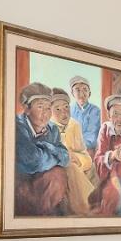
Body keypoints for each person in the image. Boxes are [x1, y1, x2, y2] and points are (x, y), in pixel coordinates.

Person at [14, 82, 68, 215]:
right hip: (21, 182)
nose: (46, 113)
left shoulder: (52, 129)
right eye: (40, 107)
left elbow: (66, 157)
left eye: (48, 108)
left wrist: (47, 147)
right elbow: (33, 161)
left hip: (44, 184)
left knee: (57, 175)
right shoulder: (18, 126)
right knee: (55, 174)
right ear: (27, 109)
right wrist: (55, 156)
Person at [51, 87, 97, 215]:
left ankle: (92, 204)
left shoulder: (74, 125)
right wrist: (66, 156)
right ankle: (85, 207)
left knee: (90, 168)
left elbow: (84, 155)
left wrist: (79, 160)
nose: (64, 113)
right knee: (70, 169)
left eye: (66, 107)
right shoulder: (49, 127)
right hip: (58, 166)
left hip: (76, 166)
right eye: (58, 109)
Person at [68, 75, 100, 153]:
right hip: (69, 149)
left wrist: (76, 146)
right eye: (77, 90)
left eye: (85, 90)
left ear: (89, 93)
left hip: (88, 150)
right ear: (72, 93)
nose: (81, 94)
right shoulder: (68, 110)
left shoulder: (95, 110)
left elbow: (92, 136)